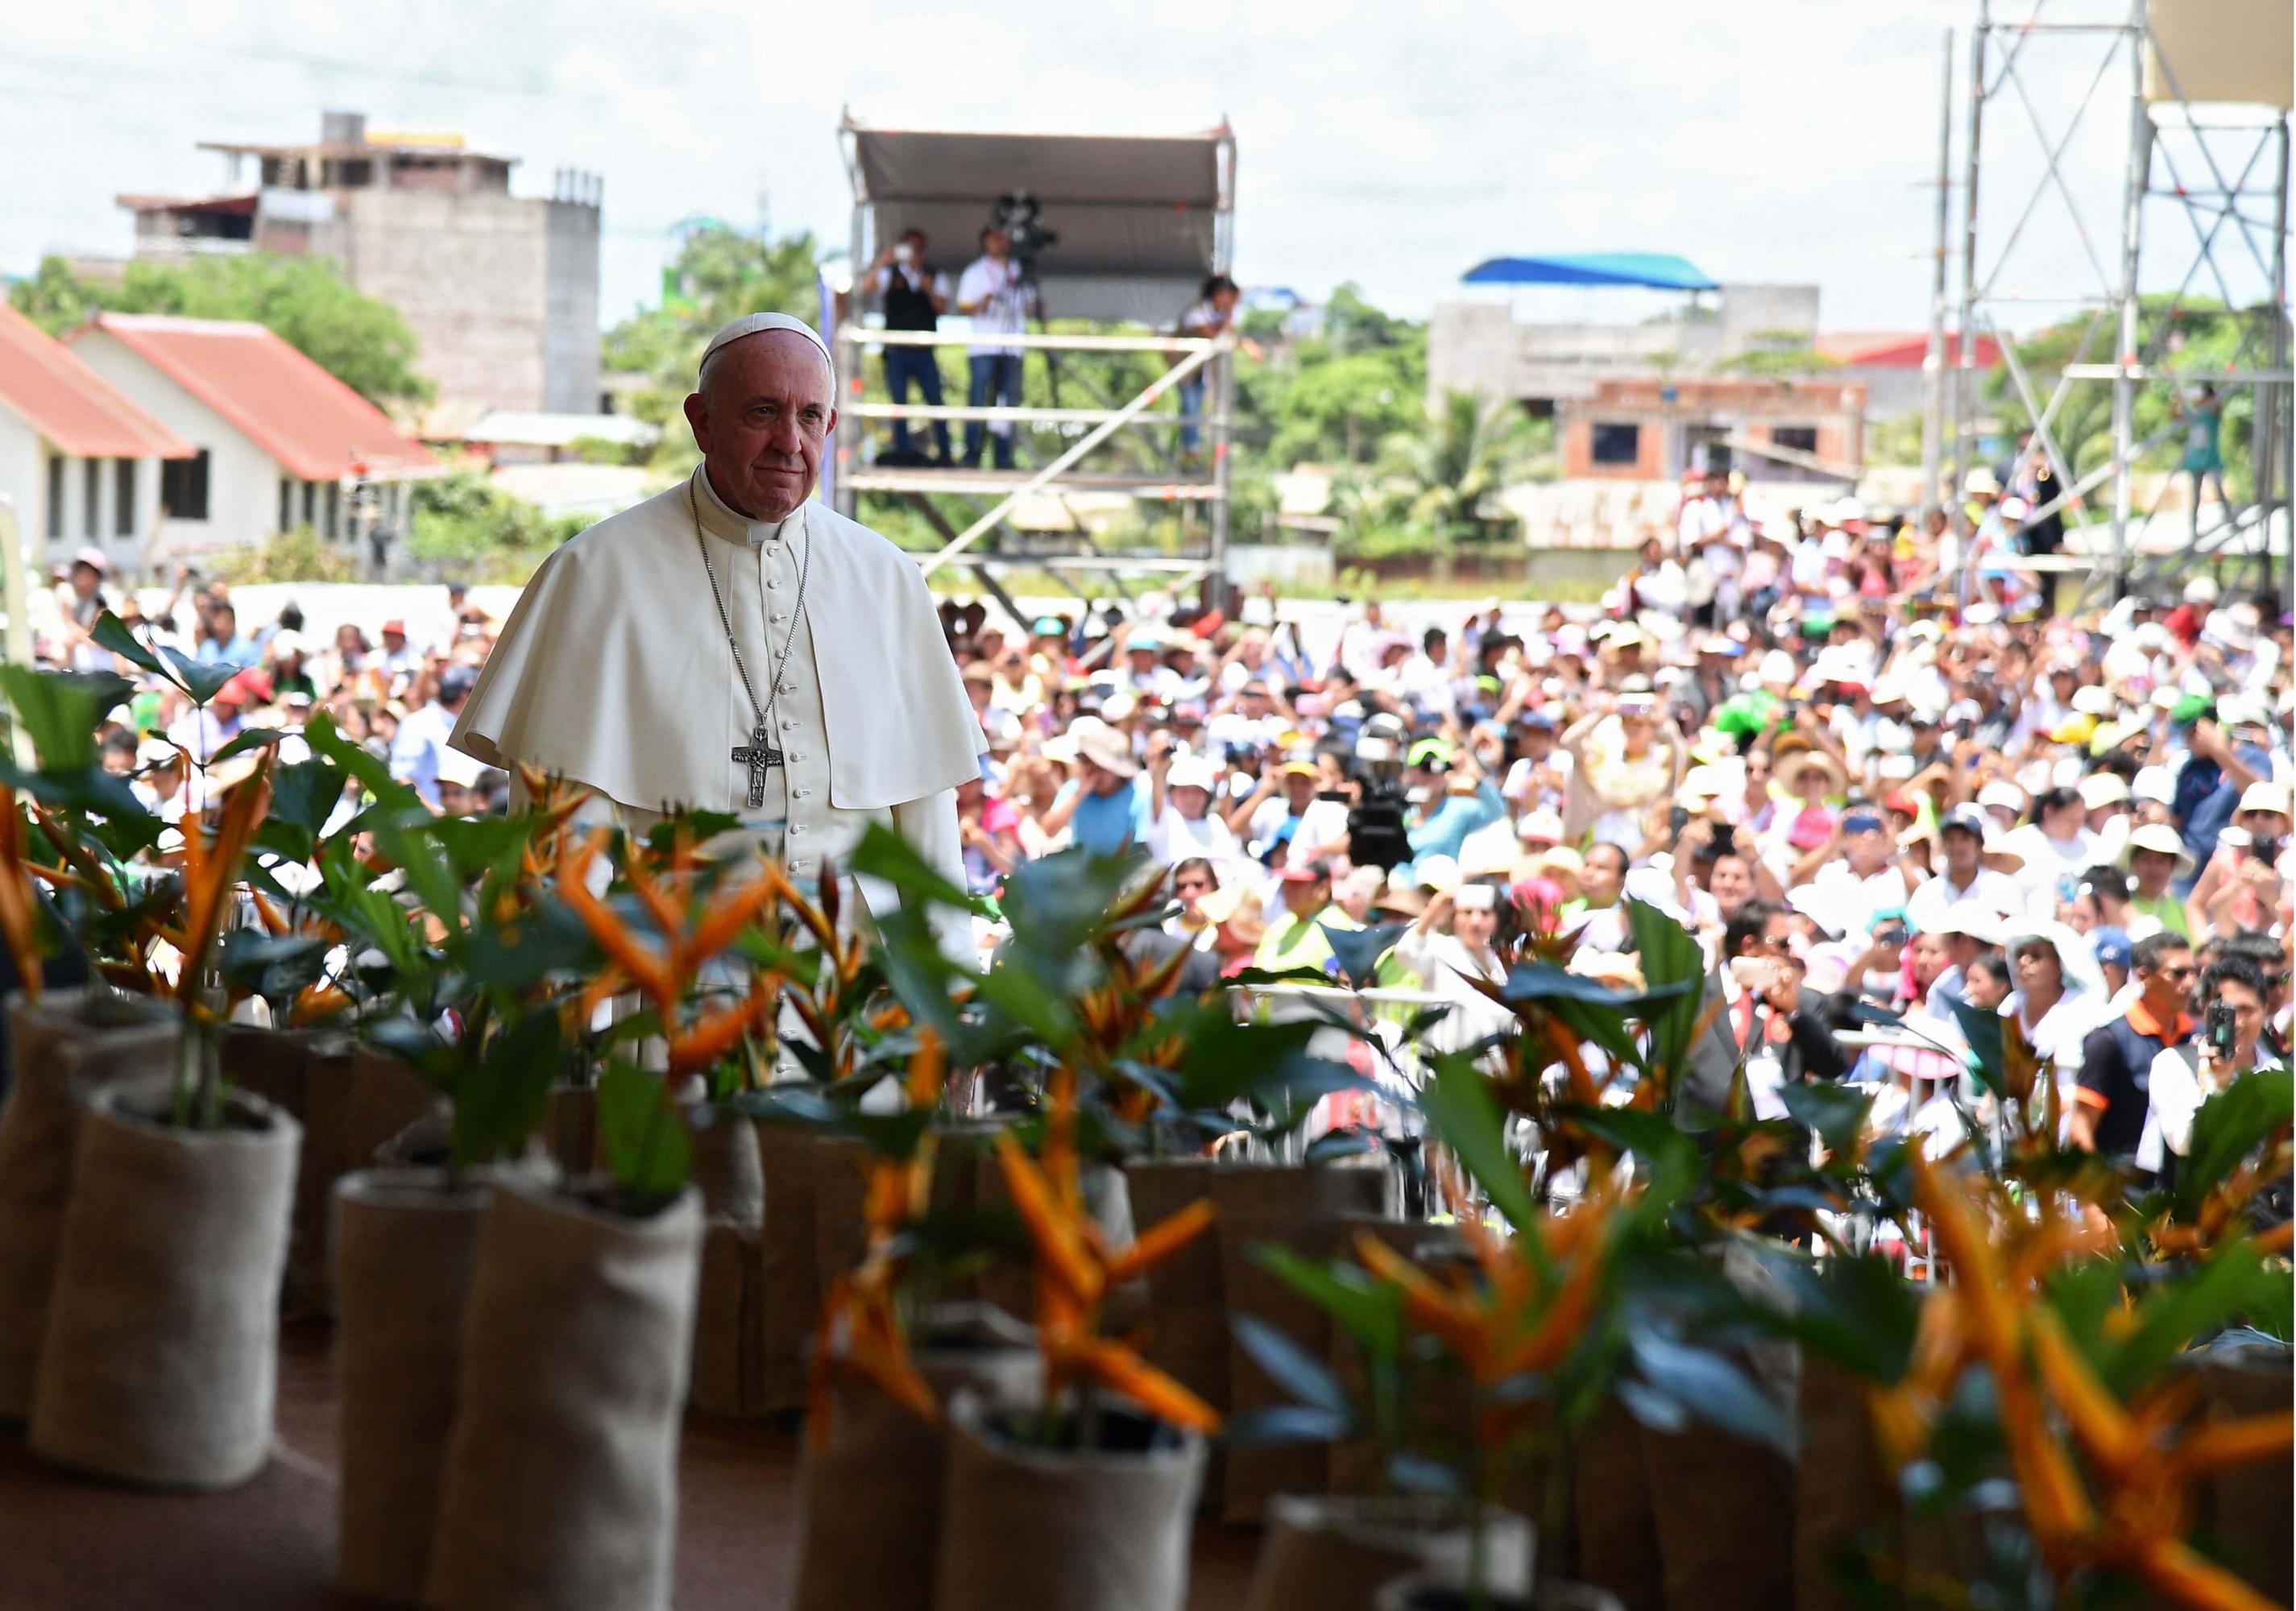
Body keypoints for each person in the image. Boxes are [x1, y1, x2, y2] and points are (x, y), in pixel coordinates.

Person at [450, 313, 982, 939]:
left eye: (810, 416)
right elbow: (564, 854)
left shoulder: (887, 579)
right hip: (670, 986)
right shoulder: (596, 575)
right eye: (762, 413)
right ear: (701, 422)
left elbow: (927, 830)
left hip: (849, 994)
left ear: (831, 427)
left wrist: (953, 1007)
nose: (790, 441)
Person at [1679, 898, 1851, 1116]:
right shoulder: (1693, 997)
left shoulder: (1803, 1001)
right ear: (1749, 946)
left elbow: (1832, 1066)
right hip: (1704, 1141)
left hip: (1777, 1143)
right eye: (1782, 943)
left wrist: (1794, 1013)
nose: (1790, 952)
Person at [2142, 952, 2283, 1190]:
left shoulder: (2282, 1070)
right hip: (2201, 1219)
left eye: (2247, 1010)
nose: (2237, 1022)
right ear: (2207, 1008)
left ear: (2265, 1009)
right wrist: (2219, 1085)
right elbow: (2186, 1143)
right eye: (2228, 1011)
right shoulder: (2174, 1064)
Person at [2070, 932, 2195, 1170]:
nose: (2189, 983)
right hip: (2124, 1193)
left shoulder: (2196, 1039)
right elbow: (2081, 1128)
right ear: (2143, 975)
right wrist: (2091, 1204)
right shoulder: (2109, 1041)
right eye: (2178, 974)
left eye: (2193, 973)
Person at [868, 228, 954, 466]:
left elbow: (943, 307)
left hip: (924, 350)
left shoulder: (933, 275)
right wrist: (883, 261)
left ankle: (945, 452)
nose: (914, 252)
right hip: (897, 349)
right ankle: (903, 451)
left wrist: (926, 288)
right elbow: (868, 287)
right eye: (909, 246)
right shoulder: (891, 272)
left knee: (935, 401)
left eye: (918, 247)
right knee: (899, 403)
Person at [955, 226, 1034, 470]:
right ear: (986, 242)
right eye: (995, 239)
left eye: (1003, 239)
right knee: (978, 400)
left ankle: (1004, 458)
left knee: (1008, 403)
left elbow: (1031, 304)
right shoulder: (975, 273)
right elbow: (963, 308)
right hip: (983, 346)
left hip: (1012, 346)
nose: (1000, 243)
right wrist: (982, 303)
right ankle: (972, 455)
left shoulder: (1018, 271)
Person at [1173, 275, 1254, 463]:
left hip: (1202, 372)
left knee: (1199, 410)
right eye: (1232, 298)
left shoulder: (1217, 314)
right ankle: (1190, 449)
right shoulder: (1197, 313)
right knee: (1190, 408)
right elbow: (1217, 338)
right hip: (1185, 368)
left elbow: (1226, 336)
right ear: (1220, 295)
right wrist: (1245, 344)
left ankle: (1199, 453)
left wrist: (1229, 315)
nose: (1233, 303)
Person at [392, 665, 476, 810]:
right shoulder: (418, 723)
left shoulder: (470, 725)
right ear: (465, 696)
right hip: (432, 824)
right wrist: (434, 817)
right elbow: (403, 779)